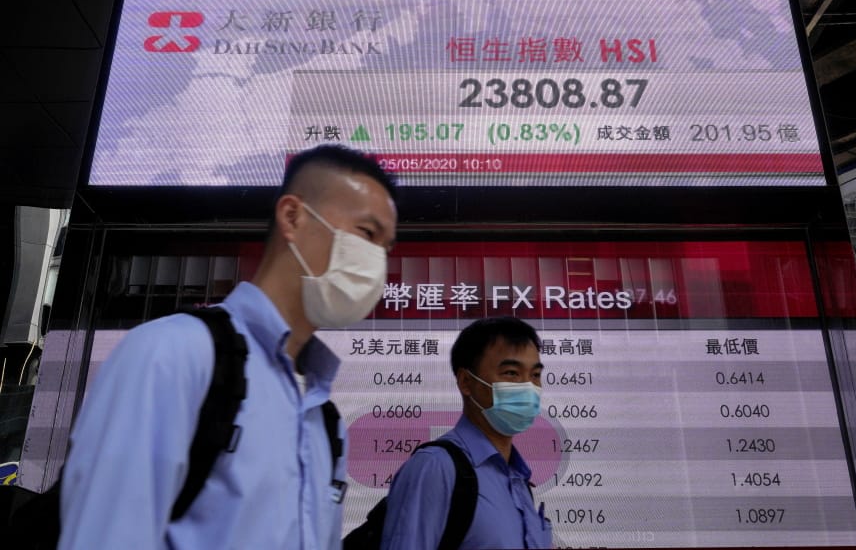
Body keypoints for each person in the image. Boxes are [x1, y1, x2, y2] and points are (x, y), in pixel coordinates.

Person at [58, 144, 398, 550]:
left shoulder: (322, 418)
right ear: (293, 217)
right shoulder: (172, 354)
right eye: (366, 234)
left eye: (386, 247)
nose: (376, 261)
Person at [381, 316, 553, 549]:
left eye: (534, 375)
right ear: (466, 382)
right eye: (511, 373)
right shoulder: (435, 468)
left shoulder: (517, 479)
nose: (528, 387)